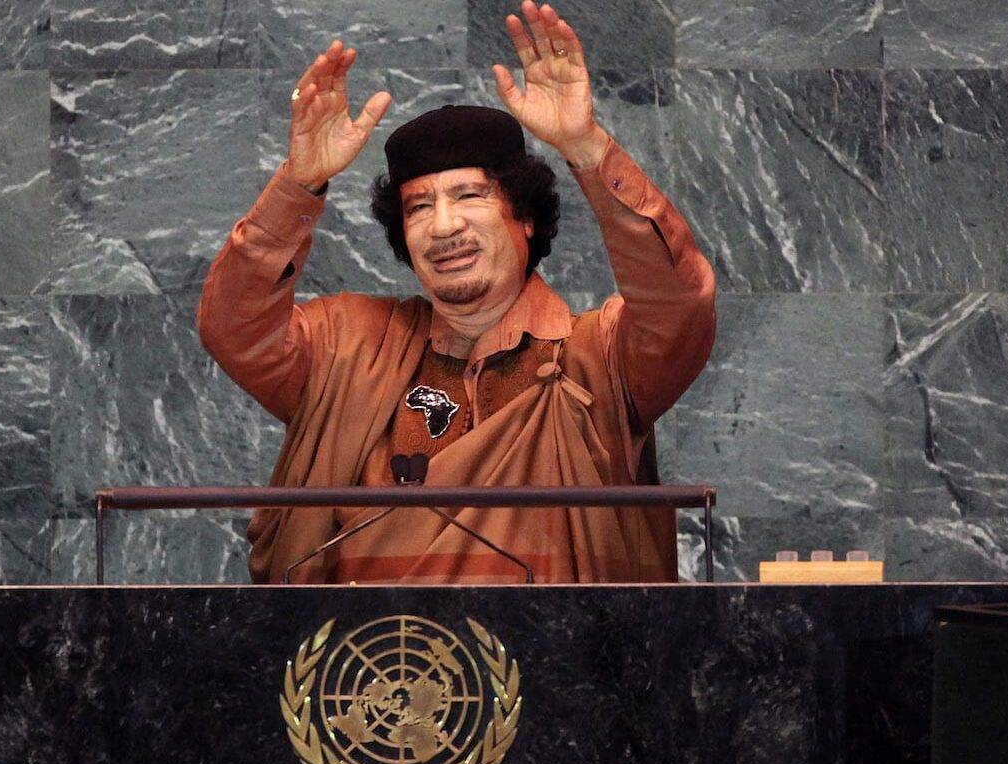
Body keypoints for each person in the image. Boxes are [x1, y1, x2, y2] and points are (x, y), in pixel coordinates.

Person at [197, 1, 716, 584]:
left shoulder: (602, 358)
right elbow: (233, 327)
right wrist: (298, 185)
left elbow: (680, 303)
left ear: (524, 217)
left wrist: (588, 148)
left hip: (558, 669)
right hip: (360, 668)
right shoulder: (346, 348)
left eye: (470, 197)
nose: (443, 227)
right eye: (420, 207)